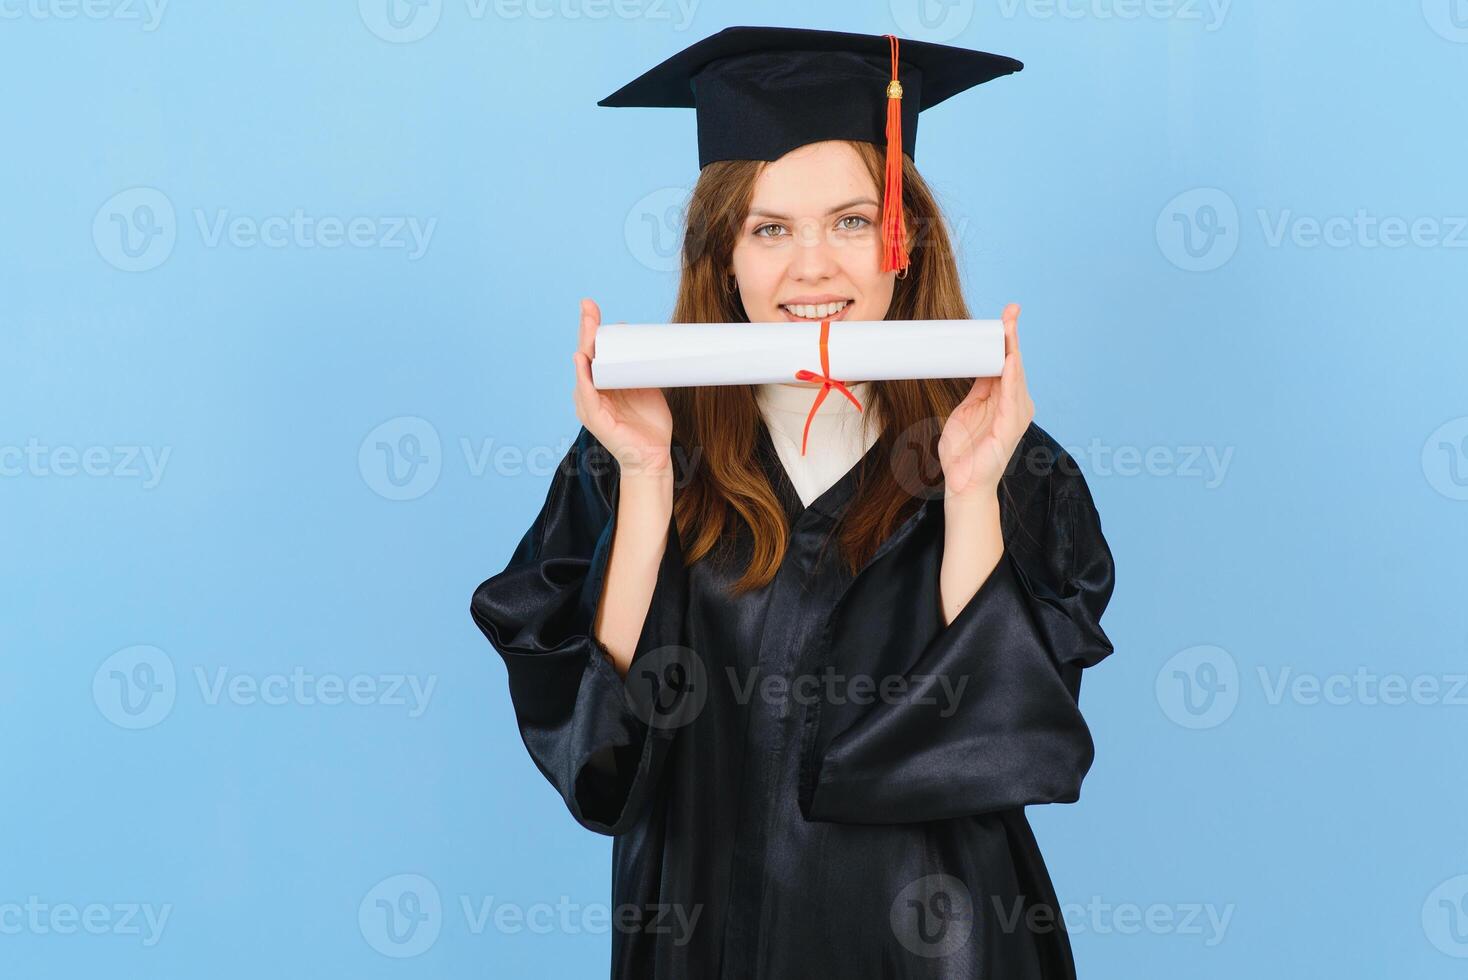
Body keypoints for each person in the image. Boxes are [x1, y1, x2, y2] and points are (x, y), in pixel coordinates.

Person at [470, 27, 1117, 979]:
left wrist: (971, 491)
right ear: (721, 255)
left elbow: (998, 742)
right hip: (704, 932)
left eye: (853, 221)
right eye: (769, 228)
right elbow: (601, 763)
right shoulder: (633, 446)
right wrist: (649, 486)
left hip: (940, 939)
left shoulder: (1011, 458)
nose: (813, 267)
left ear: (904, 241)